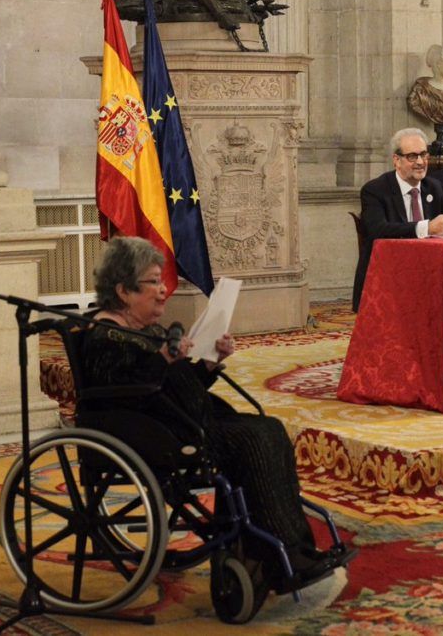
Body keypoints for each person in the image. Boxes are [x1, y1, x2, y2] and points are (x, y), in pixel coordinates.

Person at [83, 237, 349, 590]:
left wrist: (210, 363)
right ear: (123, 290)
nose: (164, 290)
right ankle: (283, 557)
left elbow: (176, 387)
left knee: (269, 428)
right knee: (254, 439)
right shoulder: (104, 335)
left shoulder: (146, 332)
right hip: (158, 434)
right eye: (154, 282)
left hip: (188, 422)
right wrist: (163, 360)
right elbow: (123, 392)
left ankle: (286, 550)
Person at [352, 128, 443, 311]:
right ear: (396, 160)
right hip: (388, 277)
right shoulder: (375, 190)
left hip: (431, 276)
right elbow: (378, 230)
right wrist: (427, 227)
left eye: (423, 155)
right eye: (412, 157)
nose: (421, 162)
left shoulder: (435, 187)